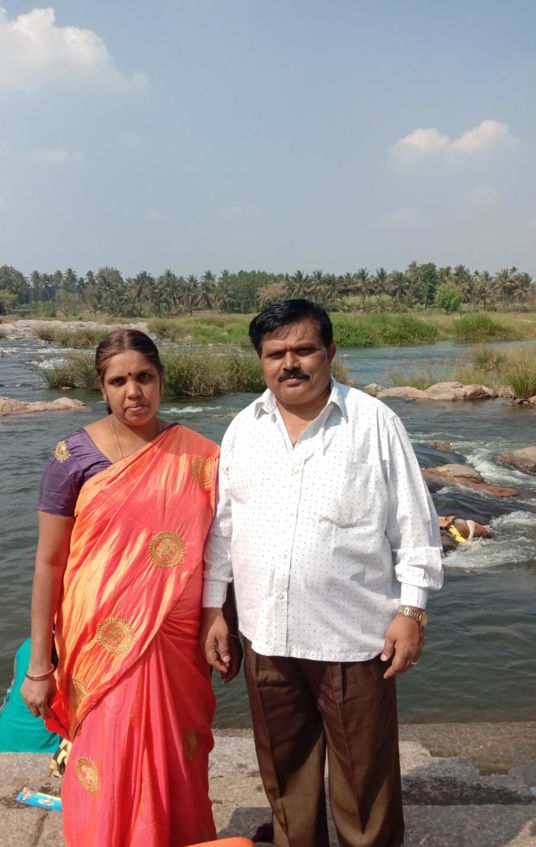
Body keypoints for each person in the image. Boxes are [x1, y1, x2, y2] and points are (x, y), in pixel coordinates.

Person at [201, 299, 444, 847]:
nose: (290, 364)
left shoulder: (374, 423)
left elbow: (415, 525)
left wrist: (412, 611)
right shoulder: (243, 429)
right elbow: (223, 529)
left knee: (365, 782)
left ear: (330, 352)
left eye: (304, 350)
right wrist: (215, 609)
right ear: (260, 361)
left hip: (352, 640)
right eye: (275, 354)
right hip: (265, 635)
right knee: (285, 774)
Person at [21, 329, 220, 847]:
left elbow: (220, 552)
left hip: (178, 639)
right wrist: (39, 666)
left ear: (161, 380)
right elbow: (49, 562)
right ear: (101, 387)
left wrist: (222, 620)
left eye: (144, 377)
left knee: (176, 754)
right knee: (106, 760)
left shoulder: (200, 456)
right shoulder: (73, 457)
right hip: (98, 640)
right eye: (119, 381)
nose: (134, 392)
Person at [0, 638, 61, 753]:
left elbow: (14, 686)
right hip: (46, 746)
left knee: (12, 693)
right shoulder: (71, 647)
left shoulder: (26, 645)